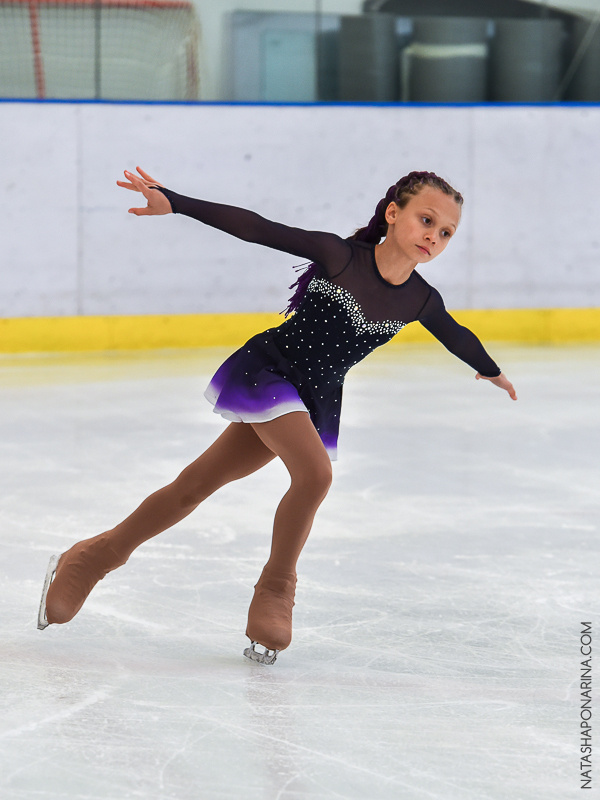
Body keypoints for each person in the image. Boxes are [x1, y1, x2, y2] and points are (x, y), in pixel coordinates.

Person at [37, 167, 517, 664]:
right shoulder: (340, 256)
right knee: (314, 475)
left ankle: (95, 555)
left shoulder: (421, 299)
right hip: (269, 374)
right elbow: (259, 228)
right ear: (393, 214)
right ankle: (277, 586)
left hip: (312, 400)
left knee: (194, 486)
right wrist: (176, 202)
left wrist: (491, 370)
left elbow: (456, 333)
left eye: (445, 233)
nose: (432, 237)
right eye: (426, 219)